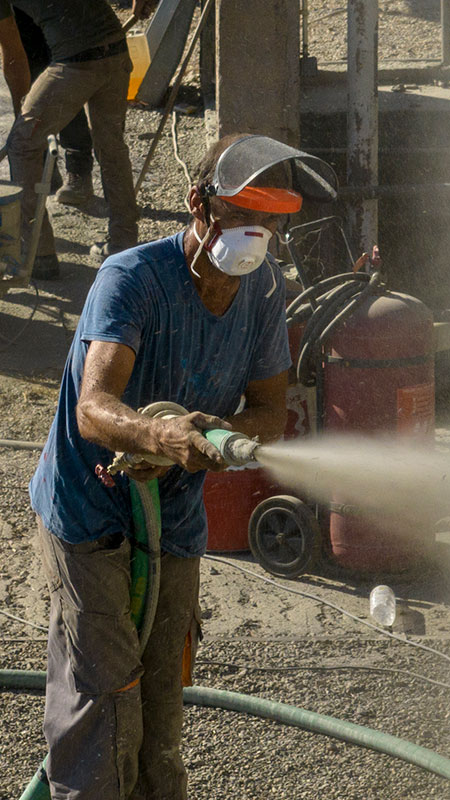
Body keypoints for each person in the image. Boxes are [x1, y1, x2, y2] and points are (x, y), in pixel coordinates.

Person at [29, 133, 338, 799]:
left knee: (160, 707)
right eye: (241, 219)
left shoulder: (260, 293)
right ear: (198, 206)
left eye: (269, 224)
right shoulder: (132, 279)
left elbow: (268, 411)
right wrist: (159, 436)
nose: (256, 238)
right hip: (89, 512)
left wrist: (218, 434)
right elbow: (94, 407)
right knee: (105, 707)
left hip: (172, 521)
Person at [0, 0, 151, 280]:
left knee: (21, 145)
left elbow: (14, 56)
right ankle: (124, 242)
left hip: (76, 63)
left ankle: (37, 254)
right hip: (116, 49)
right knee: (111, 148)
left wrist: (27, 118)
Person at [13, 7, 95, 206]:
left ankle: (78, 170)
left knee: (63, 80)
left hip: (57, 10)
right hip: (22, 13)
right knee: (30, 69)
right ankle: (43, 167)